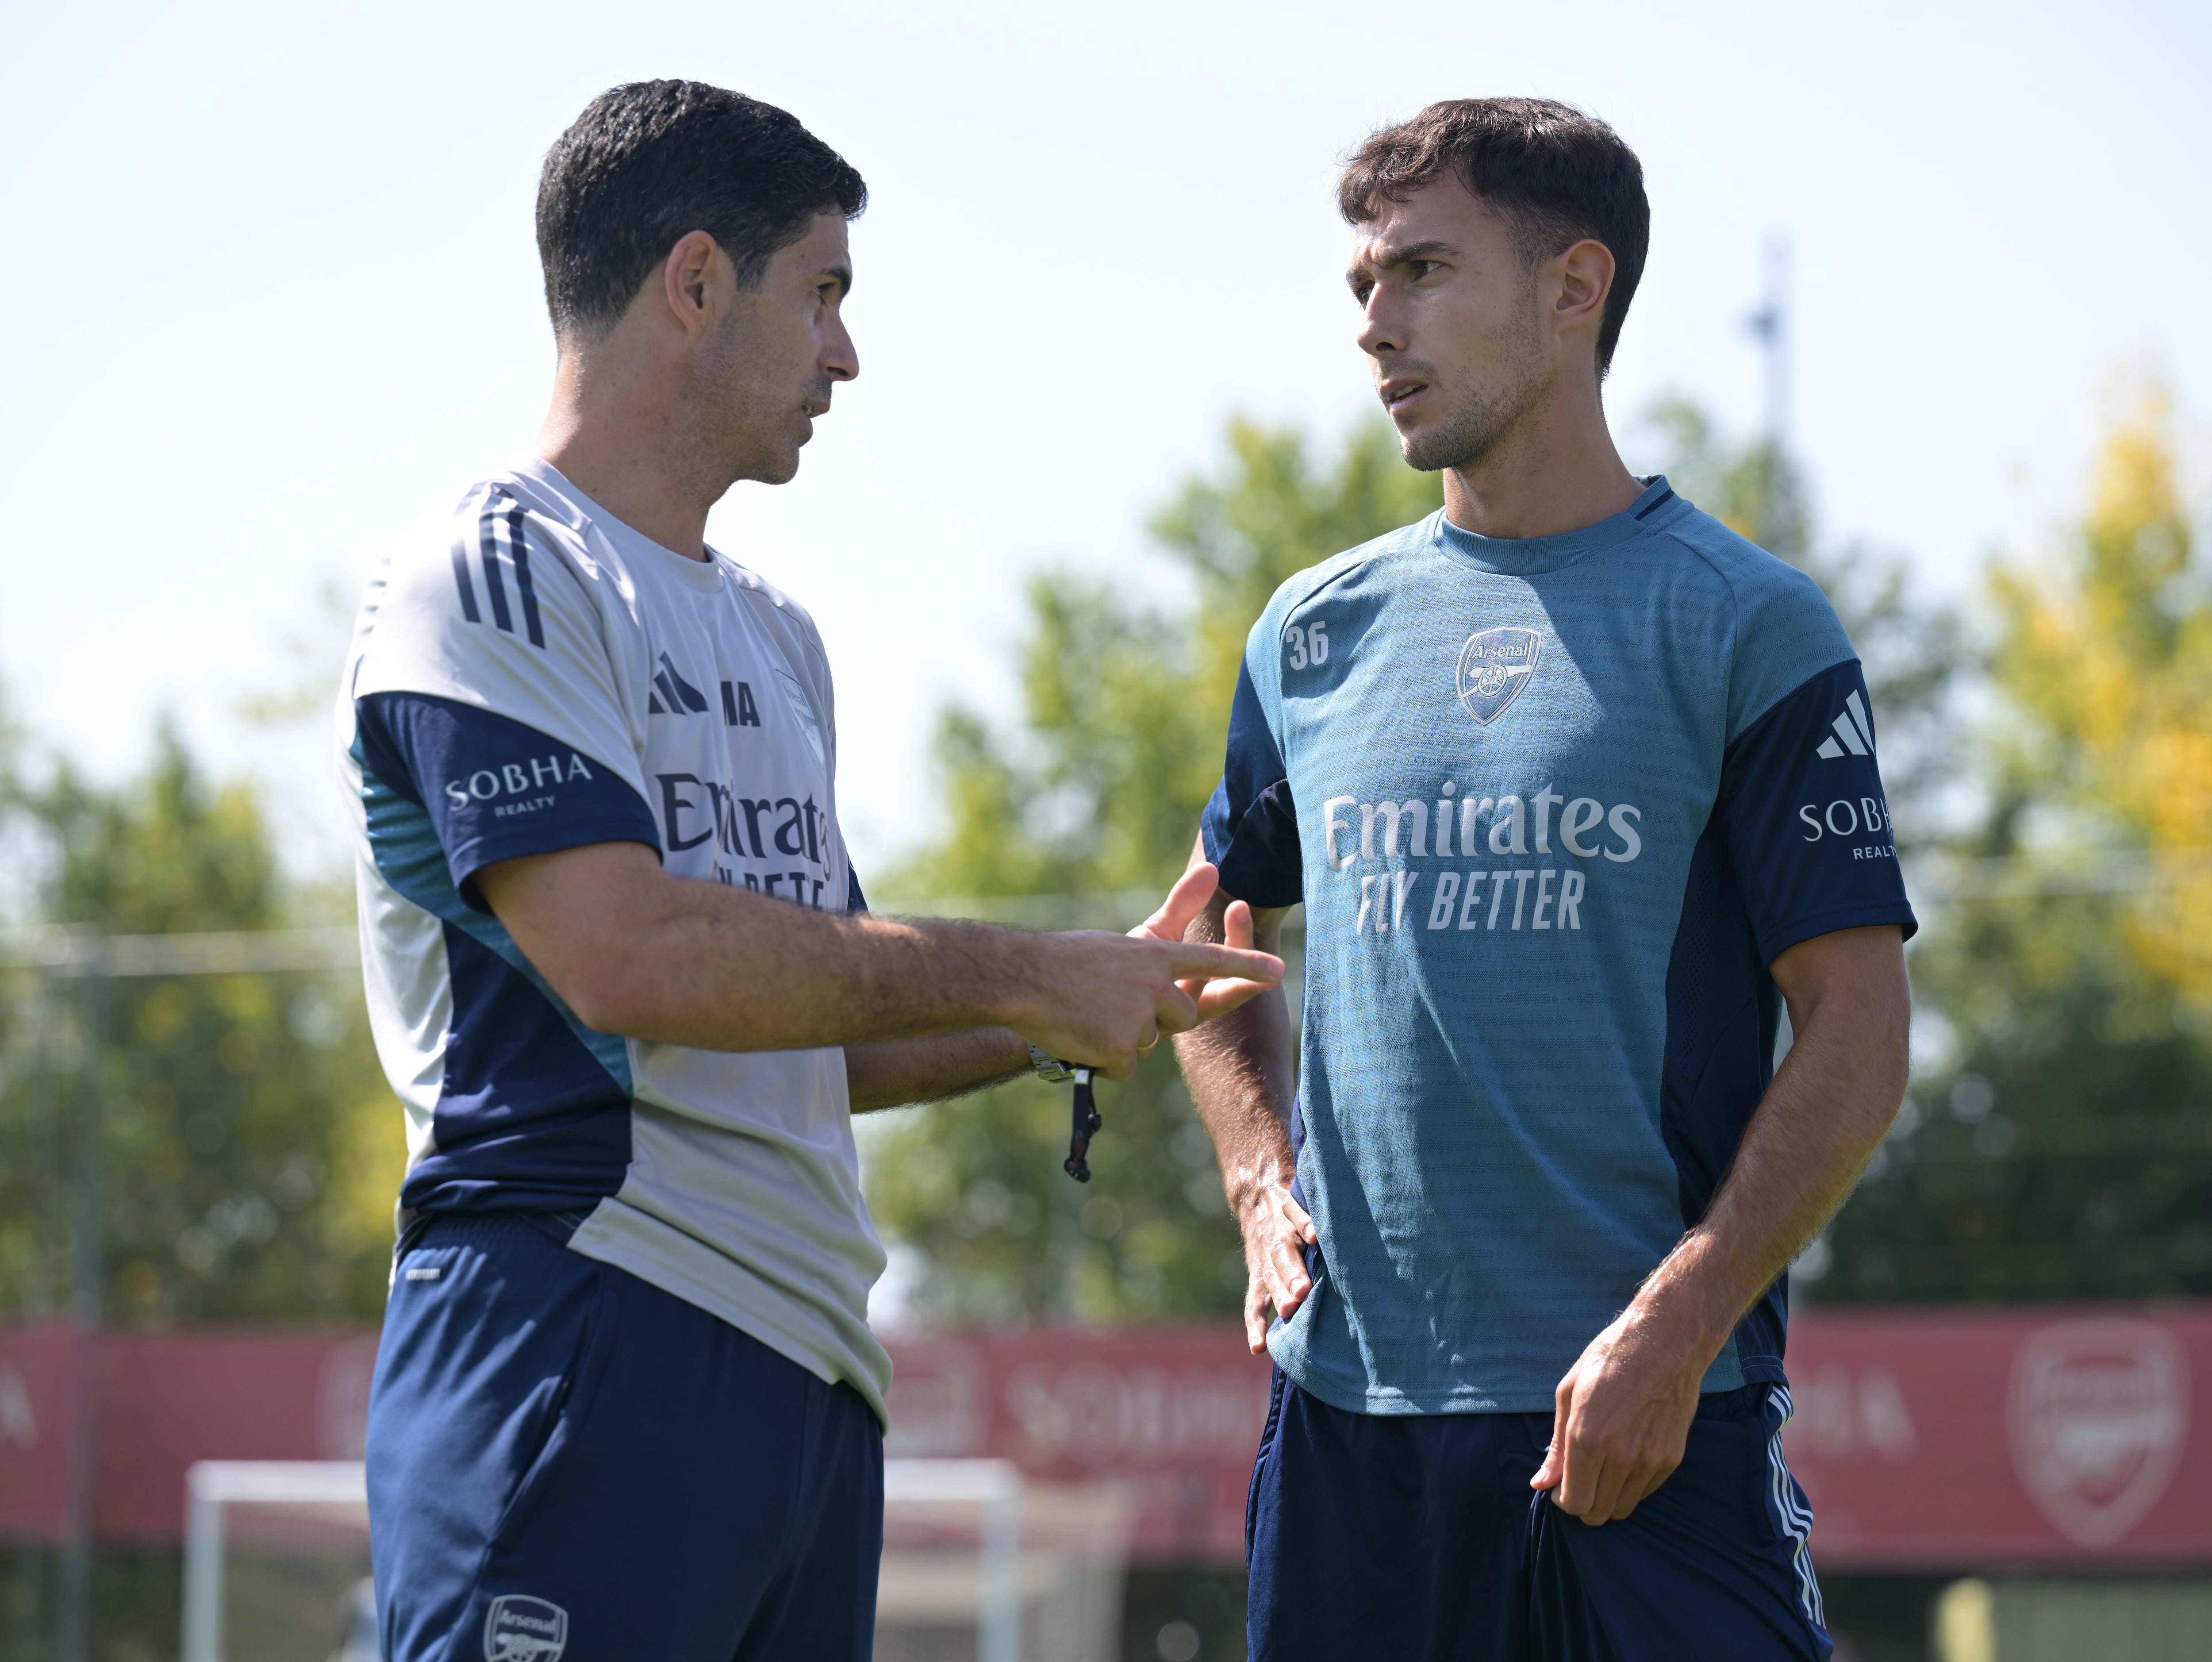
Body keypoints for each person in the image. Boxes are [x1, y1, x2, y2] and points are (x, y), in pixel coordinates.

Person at [335, 80, 1280, 1662]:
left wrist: (1089, 998)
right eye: (824, 294)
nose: (846, 353)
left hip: (812, 1381)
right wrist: (1022, 968)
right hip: (586, 1324)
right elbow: (626, 954)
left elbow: (813, 1016)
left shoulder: (780, 635)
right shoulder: (492, 562)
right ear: (695, 281)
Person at [1173, 98, 1913, 1661]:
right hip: (1347, 1424)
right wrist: (1255, 1177)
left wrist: (1680, 1322)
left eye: (1425, 272)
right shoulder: (1310, 634)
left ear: (1577, 289)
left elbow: (1860, 1032)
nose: (1376, 325)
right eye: (1363, 285)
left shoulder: (1749, 624)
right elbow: (1201, 955)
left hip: (1640, 1415)